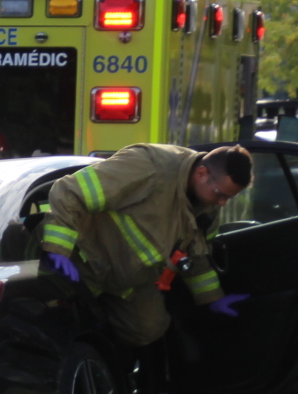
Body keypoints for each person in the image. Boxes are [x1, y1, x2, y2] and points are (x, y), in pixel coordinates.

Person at [42, 143, 252, 348]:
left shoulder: (207, 204)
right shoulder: (149, 166)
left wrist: (212, 298)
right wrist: (58, 249)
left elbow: (196, 254)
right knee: (58, 327)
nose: (222, 203)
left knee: (149, 329)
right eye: (221, 194)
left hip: (130, 283)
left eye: (229, 197)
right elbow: (70, 192)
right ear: (202, 173)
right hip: (80, 263)